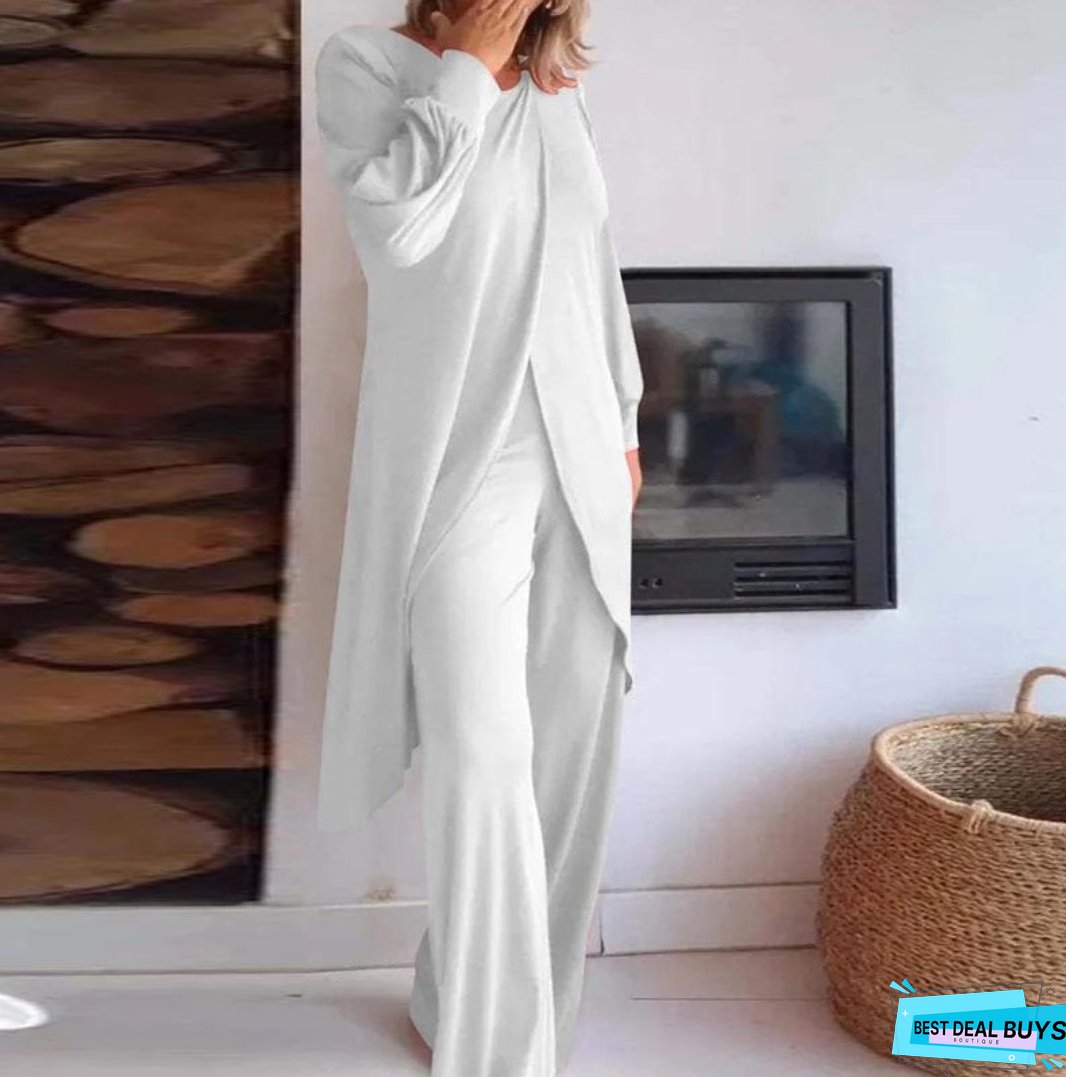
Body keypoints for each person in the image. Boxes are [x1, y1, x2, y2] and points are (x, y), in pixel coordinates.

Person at [313, 1, 644, 1073]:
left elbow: (593, 268)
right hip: (461, 461)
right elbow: (396, 232)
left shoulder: (559, 89)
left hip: (581, 455)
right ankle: (501, 1056)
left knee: (571, 750)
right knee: (483, 750)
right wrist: (469, 64)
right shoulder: (368, 64)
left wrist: (625, 424)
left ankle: (469, 1000)